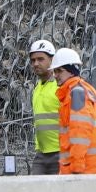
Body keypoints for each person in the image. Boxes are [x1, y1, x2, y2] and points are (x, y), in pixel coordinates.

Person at [51, 48, 96, 175]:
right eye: (54, 71)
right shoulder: (75, 92)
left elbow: (80, 132)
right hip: (87, 168)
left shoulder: (77, 93)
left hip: (85, 170)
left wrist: (76, 168)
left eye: (59, 71)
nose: (55, 75)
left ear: (72, 72)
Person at [27, 38, 61, 174]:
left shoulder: (61, 86)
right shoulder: (37, 88)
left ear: (52, 60)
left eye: (41, 59)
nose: (36, 64)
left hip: (61, 152)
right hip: (41, 153)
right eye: (33, 60)